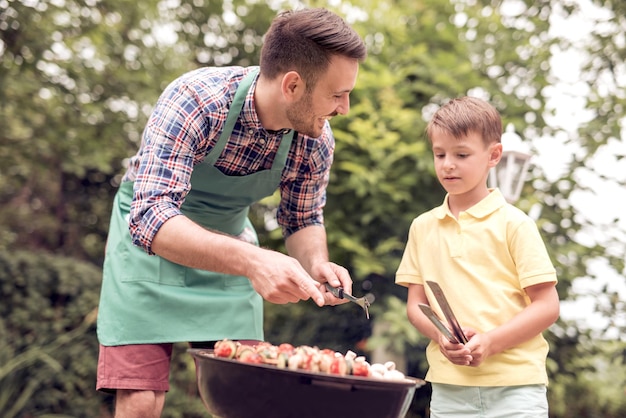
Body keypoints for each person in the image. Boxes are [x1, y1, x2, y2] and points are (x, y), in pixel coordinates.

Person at [96, 7, 367, 417]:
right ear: (292, 85)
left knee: (247, 391)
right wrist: (254, 261)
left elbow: (302, 218)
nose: (344, 108)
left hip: (231, 252)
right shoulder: (196, 100)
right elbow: (150, 217)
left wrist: (317, 265)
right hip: (148, 250)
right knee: (141, 400)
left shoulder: (314, 140)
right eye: (336, 94)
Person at [395, 96, 560, 417]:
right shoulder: (422, 227)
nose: (447, 164)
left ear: (493, 155)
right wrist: (442, 336)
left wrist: (491, 341)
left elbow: (547, 305)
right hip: (450, 389)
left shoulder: (516, 224)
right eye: (439, 154)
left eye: (461, 154)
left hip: (516, 388)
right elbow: (416, 304)